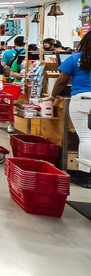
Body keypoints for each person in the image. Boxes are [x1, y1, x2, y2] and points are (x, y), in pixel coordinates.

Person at [50, 33, 91, 188]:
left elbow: (62, 80)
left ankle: (84, 174)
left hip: (82, 99)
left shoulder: (75, 59)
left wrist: (53, 96)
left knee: (86, 136)